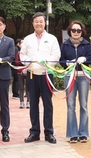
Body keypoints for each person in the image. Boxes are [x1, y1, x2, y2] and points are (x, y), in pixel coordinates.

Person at [19, 12, 61, 144]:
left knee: (48, 104)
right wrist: (29, 62)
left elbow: (56, 55)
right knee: (33, 105)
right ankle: (34, 132)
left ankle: (49, 133)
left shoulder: (52, 38)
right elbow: (22, 55)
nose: (38, 23)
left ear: (45, 23)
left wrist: (45, 61)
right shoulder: (27, 39)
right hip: (32, 75)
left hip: (46, 74)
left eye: (41, 21)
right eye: (36, 21)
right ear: (32, 23)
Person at [60, 20, 91, 143]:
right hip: (69, 76)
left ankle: (83, 133)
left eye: (78, 30)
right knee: (70, 105)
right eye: (73, 30)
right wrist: (67, 63)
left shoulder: (86, 44)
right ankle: (72, 133)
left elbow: (90, 59)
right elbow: (61, 60)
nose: (76, 32)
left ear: (82, 32)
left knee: (83, 105)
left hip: (83, 76)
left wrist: (84, 59)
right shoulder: (65, 44)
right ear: (70, 31)